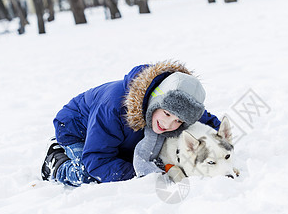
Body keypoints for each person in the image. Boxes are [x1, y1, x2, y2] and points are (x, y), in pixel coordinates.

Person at [41, 60, 221, 186]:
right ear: (156, 99)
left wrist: (220, 136)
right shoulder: (113, 108)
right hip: (77, 130)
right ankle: (56, 163)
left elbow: (201, 117)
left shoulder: (174, 102)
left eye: (178, 120)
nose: (168, 124)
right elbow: (97, 160)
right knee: (91, 175)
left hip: (114, 136)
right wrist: (139, 174)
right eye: (166, 113)